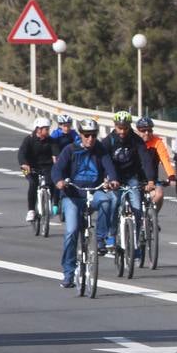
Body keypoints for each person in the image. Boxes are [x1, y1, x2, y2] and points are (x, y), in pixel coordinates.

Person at [50, 119, 118, 288]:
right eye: (87, 135)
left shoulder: (100, 150)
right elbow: (57, 169)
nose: (90, 139)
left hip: (93, 192)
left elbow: (110, 168)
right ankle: (68, 273)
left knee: (106, 201)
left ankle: (101, 238)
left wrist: (114, 180)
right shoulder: (70, 150)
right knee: (72, 231)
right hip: (72, 196)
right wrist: (59, 181)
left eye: (93, 135)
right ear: (80, 134)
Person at [102, 111, 158, 255]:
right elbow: (102, 161)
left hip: (131, 177)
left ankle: (136, 242)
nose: (122, 131)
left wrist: (151, 179)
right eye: (120, 128)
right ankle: (112, 236)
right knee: (114, 203)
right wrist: (105, 180)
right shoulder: (109, 141)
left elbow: (145, 160)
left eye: (125, 128)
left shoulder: (136, 140)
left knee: (137, 208)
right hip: (115, 178)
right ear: (115, 126)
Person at [17, 117, 58, 223]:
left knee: (53, 182)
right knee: (32, 183)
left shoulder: (51, 141)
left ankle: (52, 203)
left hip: (46, 167)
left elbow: (56, 153)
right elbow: (21, 153)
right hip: (29, 167)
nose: (48, 131)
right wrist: (24, 164)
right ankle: (31, 210)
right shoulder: (29, 139)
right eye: (46, 129)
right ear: (38, 129)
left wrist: (56, 160)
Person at [135, 116, 176, 215]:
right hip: (135, 179)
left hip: (152, 179)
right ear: (138, 131)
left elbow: (165, 160)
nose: (147, 133)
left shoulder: (157, 142)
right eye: (143, 130)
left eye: (149, 130)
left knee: (159, 194)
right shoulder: (133, 142)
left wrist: (171, 176)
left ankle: (151, 217)